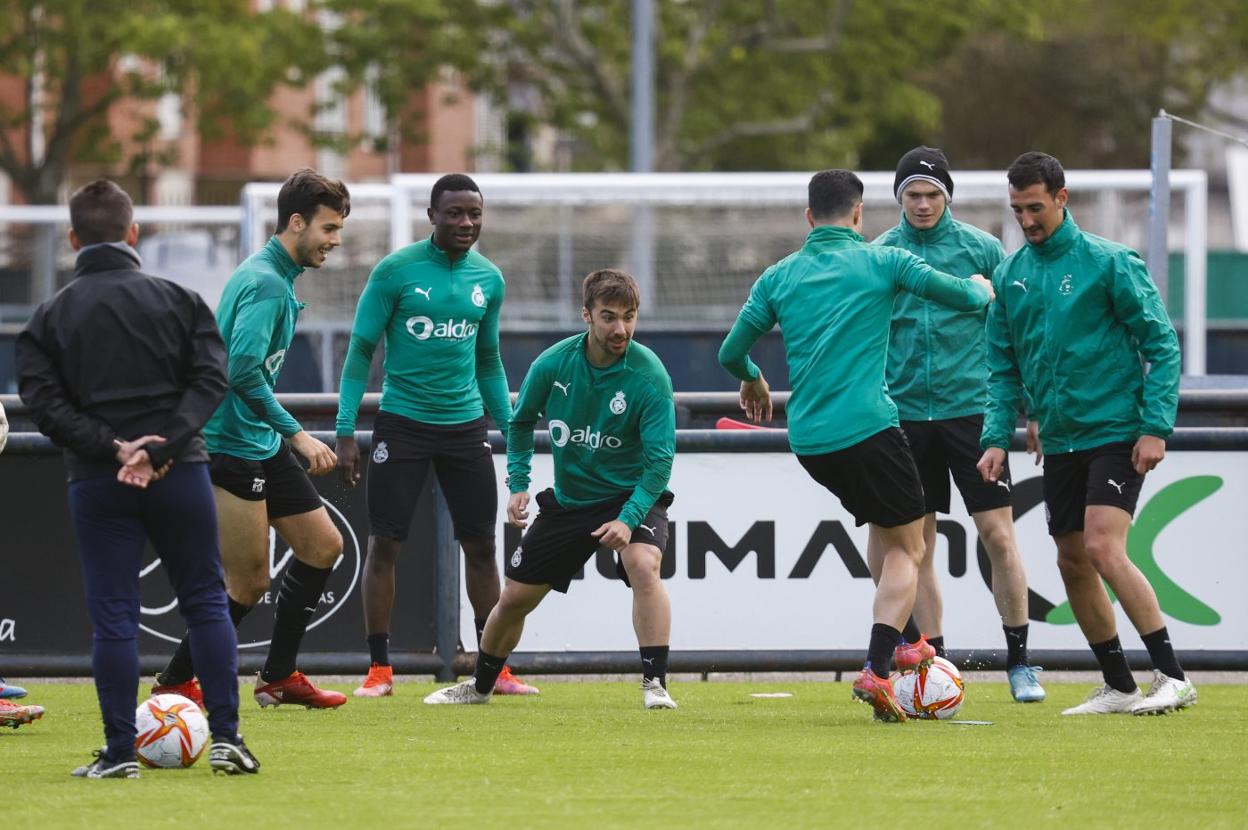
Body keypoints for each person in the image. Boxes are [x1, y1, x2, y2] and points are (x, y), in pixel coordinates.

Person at [717, 170, 993, 722]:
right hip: (870, 427)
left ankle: (911, 640)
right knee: (910, 549)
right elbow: (962, 296)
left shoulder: (779, 276)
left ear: (808, 217)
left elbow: (731, 352)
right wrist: (983, 289)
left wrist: (752, 376)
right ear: (860, 214)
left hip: (814, 442)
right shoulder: (883, 261)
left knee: (885, 533)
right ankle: (878, 665)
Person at [15, 179, 256, 775]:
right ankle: (226, 738)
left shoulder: (49, 316)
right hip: (180, 474)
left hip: (99, 481)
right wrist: (165, 445)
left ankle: (120, 752)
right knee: (205, 601)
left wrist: (115, 447)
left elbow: (42, 403)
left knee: (115, 616)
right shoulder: (180, 300)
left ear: (72, 238)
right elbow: (211, 380)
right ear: (134, 233)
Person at [978, 151, 1195, 716]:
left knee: (1101, 546)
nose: (1026, 220)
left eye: (1035, 207)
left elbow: (1162, 345)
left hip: (1117, 431)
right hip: (1060, 440)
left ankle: (1172, 676)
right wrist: (997, 435)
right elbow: (1002, 368)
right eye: (1017, 209)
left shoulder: (1109, 261)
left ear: (1061, 198)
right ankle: (1119, 685)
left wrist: (1155, 426)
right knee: (1071, 560)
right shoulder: (1010, 275)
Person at [423, 269, 678, 709]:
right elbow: (520, 423)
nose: (621, 329)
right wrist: (519, 484)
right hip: (571, 502)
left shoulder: (649, 374)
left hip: (630, 497)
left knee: (643, 563)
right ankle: (481, 687)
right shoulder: (553, 364)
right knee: (514, 599)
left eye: (629, 317)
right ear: (587, 316)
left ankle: (655, 685)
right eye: (609, 317)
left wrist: (627, 519)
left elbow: (659, 464)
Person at [151, 169, 351, 710]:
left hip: (257, 440)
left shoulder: (276, 276)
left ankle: (278, 676)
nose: (335, 241)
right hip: (230, 447)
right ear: (295, 222)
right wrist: (296, 433)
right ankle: (173, 683)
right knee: (248, 585)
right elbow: (240, 371)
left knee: (322, 546)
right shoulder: (265, 281)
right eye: (329, 228)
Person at [336, 174, 537, 698]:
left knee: (481, 548)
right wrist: (344, 431)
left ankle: (495, 669)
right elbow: (360, 351)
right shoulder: (395, 271)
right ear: (431, 215)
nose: (465, 223)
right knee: (385, 544)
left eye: (474, 213)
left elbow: (488, 360)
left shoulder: (489, 279)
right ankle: (380, 671)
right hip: (402, 423)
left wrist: (511, 423)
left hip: (465, 427)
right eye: (454, 213)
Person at [871, 146, 1045, 703]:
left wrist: (1033, 405)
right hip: (902, 418)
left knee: (998, 535)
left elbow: (1019, 333)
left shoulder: (984, 249)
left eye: (932, 195)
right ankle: (935, 666)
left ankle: (1020, 661)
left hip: (973, 412)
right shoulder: (880, 254)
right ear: (898, 199)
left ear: (948, 196)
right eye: (912, 195)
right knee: (913, 549)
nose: (922, 205)